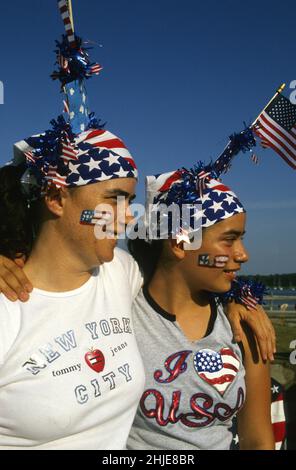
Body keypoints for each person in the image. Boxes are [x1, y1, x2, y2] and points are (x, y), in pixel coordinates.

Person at [126, 162, 275, 450]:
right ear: (181, 242)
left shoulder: (244, 328)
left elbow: (258, 440)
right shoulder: (121, 313)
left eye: (241, 239)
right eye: (229, 240)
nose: (243, 254)